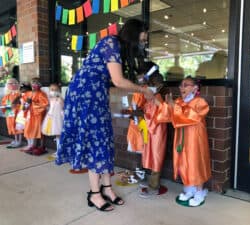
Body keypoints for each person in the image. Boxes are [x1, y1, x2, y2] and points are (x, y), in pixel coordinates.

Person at [55, 19, 154, 212]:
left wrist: (137, 82)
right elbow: (118, 80)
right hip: (85, 94)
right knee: (96, 140)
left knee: (105, 139)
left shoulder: (118, 48)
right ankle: (94, 193)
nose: (145, 39)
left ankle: (107, 188)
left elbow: (115, 79)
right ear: (134, 33)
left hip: (96, 93)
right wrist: (144, 90)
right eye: (143, 35)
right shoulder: (111, 43)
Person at [156, 76, 211, 207]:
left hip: (195, 139)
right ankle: (189, 189)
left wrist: (172, 105)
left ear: (195, 88)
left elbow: (190, 116)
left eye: (186, 85)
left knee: (195, 163)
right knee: (183, 162)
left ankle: (199, 192)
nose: (182, 87)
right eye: (181, 85)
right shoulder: (179, 101)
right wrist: (163, 104)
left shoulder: (200, 102)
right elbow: (167, 115)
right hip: (181, 138)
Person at [138, 69, 169, 198]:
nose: (151, 86)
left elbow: (163, 115)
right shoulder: (151, 98)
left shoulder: (158, 98)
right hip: (151, 132)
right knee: (149, 155)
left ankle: (154, 187)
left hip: (157, 131)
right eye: (150, 83)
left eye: (153, 84)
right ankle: (150, 181)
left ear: (160, 86)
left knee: (156, 156)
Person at [21, 77, 49, 156]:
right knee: (28, 129)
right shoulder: (29, 93)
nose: (34, 85)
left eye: (36, 83)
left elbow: (44, 104)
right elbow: (24, 102)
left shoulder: (42, 94)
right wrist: (25, 105)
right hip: (29, 115)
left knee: (37, 130)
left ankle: (39, 146)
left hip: (37, 115)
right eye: (33, 83)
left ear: (40, 85)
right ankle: (31, 145)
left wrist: (32, 103)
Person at [41, 83, 64, 158]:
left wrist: (59, 99)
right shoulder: (50, 99)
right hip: (51, 118)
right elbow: (49, 107)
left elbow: (62, 107)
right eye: (52, 90)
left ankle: (60, 151)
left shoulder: (60, 99)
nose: (53, 91)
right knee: (57, 136)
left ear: (59, 91)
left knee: (59, 135)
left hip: (58, 118)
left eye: (55, 90)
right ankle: (58, 150)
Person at [1, 78, 23, 148]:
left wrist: (17, 106)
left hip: (17, 112)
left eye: (14, 83)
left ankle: (19, 141)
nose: (12, 85)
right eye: (10, 83)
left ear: (17, 84)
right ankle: (15, 140)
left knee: (18, 127)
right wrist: (4, 107)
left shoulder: (20, 94)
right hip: (10, 112)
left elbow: (22, 103)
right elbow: (4, 103)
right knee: (11, 126)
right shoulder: (7, 95)